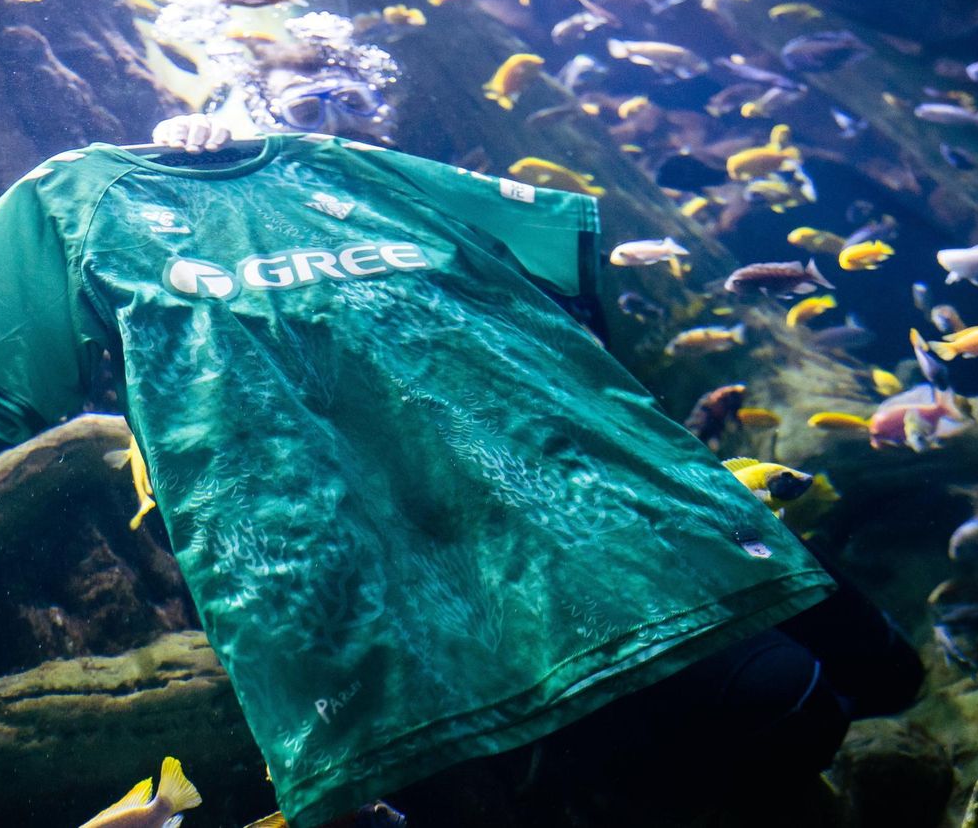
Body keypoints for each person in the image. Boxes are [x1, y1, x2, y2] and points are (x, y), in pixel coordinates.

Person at [148, 108, 925, 828]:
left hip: (625, 545)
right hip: (545, 632)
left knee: (820, 692)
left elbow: (885, 681)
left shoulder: (436, 225)